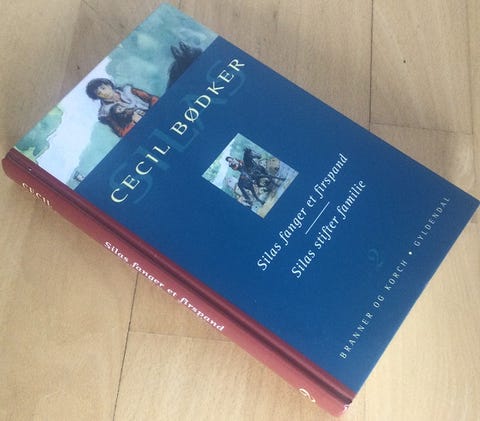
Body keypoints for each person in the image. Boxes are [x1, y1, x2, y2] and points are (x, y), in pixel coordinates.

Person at [86, 78, 159, 137]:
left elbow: (152, 99)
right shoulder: (106, 113)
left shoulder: (128, 90)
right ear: (97, 97)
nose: (104, 93)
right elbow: (122, 133)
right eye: (99, 93)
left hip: (156, 114)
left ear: (109, 85)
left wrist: (154, 112)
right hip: (143, 131)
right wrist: (134, 122)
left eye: (103, 88)